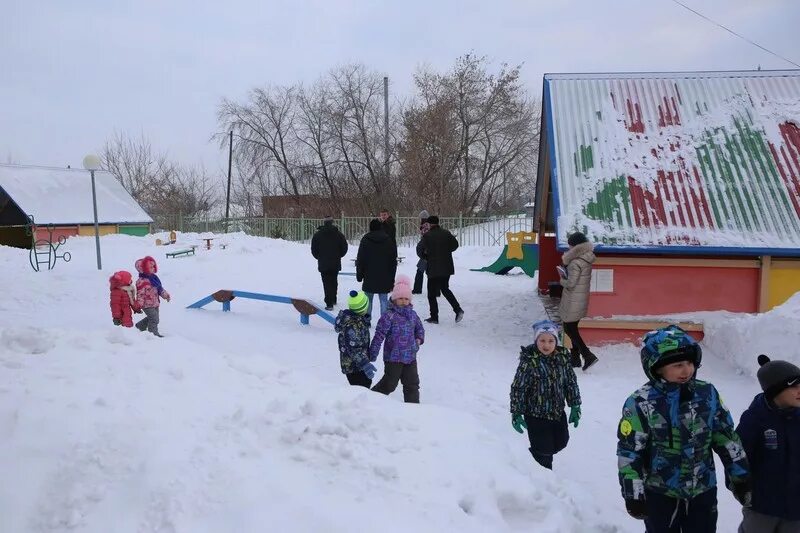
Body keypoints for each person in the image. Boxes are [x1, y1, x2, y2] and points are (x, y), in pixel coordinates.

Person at [617, 325, 751, 532]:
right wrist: (633, 494)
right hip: (660, 492)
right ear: (657, 367)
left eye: (689, 363)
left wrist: (740, 478)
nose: (686, 370)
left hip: (702, 489)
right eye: (678, 365)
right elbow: (630, 451)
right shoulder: (640, 402)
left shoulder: (707, 394)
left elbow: (725, 438)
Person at [735, 354, 800, 533]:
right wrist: (740, 486)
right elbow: (737, 455)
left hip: (796, 508)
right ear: (776, 391)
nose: (799, 390)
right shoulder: (755, 419)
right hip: (762, 507)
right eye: (794, 386)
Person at [510, 320, 581, 470]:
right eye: (542, 340)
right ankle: (543, 476)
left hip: (556, 412)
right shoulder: (529, 361)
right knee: (544, 452)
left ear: (556, 341)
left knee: (562, 442)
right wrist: (516, 412)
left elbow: (570, 382)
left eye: (551, 340)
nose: (546, 345)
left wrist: (575, 405)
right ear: (536, 341)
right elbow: (519, 387)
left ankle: (536, 457)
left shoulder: (562, 359)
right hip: (535, 415)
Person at [370, 276, 425, 403]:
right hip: (393, 357)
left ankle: (414, 410)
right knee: (390, 383)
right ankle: (370, 399)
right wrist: (373, 353)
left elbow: (420, 329)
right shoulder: (388, 316)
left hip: (410, 356)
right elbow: (379, 335)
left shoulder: (413, 315)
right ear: (394, 298)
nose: (404, 301)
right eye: (400, 298)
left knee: (412, 384)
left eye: (406, 298)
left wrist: (418, 340)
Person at [558, 231, 598, 371]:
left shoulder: (575, 262)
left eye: (570, 246)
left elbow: (571, 283)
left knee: (570, 329)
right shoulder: (586, 258)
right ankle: (574, 359)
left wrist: (561, 278)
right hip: (580, 298)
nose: (568, 248)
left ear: (575, 247)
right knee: (571, 328)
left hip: (573, 299)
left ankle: (587, 355)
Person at [417, 215, 464, 324]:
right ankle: (458, 309)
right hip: (446, 266)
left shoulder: (427, 236)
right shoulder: (446, 233)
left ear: (429, 224)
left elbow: (419, 249)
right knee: (445, 289)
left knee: (431, 294)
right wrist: (446, 251)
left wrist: (425, 257)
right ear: (438, 223)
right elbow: (455, 245)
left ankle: (434, 317)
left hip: (433, 268)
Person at [356, 218, 397, 319]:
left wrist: (359, 275)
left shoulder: (365, 239)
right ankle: (384, 322)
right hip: (384, 275)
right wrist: (392, 278)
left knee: (368, 300)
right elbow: (393, 260)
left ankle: (367, 319)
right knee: (383, 300)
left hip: (369, 274)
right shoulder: (388, 240)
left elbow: (361, 258)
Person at [334, 290, 376, 388]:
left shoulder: (357, 320)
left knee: (365, 384)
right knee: (362, 387)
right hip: (353, 366)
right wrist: (365, 363)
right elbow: (354, 349)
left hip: (357, 362)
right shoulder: (352, 326)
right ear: (363, 309)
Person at [310, 216, 348, 310]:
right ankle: (333, 298)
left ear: (324, 223)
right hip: (335, 262)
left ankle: (329, 303)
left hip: (323, 263)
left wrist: (319, 257)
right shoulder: (339, 234)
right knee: (334, 280)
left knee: (326, 282)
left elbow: (314, 249)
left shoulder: (318, 235)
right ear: (332, 222)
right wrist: (339, 255)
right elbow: (344, 247)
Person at [134, 256, 171, 337]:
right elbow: (140, 294)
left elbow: (159, 289)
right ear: (143, 269)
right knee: (154, 319)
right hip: (146, 305)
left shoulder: (154, 278)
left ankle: (140, 325)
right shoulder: (141, 281)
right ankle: (153, 334)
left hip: (155, 303)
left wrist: (165, 295)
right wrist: (139, 304)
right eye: (150, 267)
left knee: (153, 318)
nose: (153, 268)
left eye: (153, 266)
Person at [412, 210, 430, 295]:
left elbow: (425, 239)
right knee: (429, 271)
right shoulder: (429, 225)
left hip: (426, 252)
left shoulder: (425, 226)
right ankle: (436, 290)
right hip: (428, 252)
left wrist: (423, 251)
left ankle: (417, 289)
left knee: (420, 271)